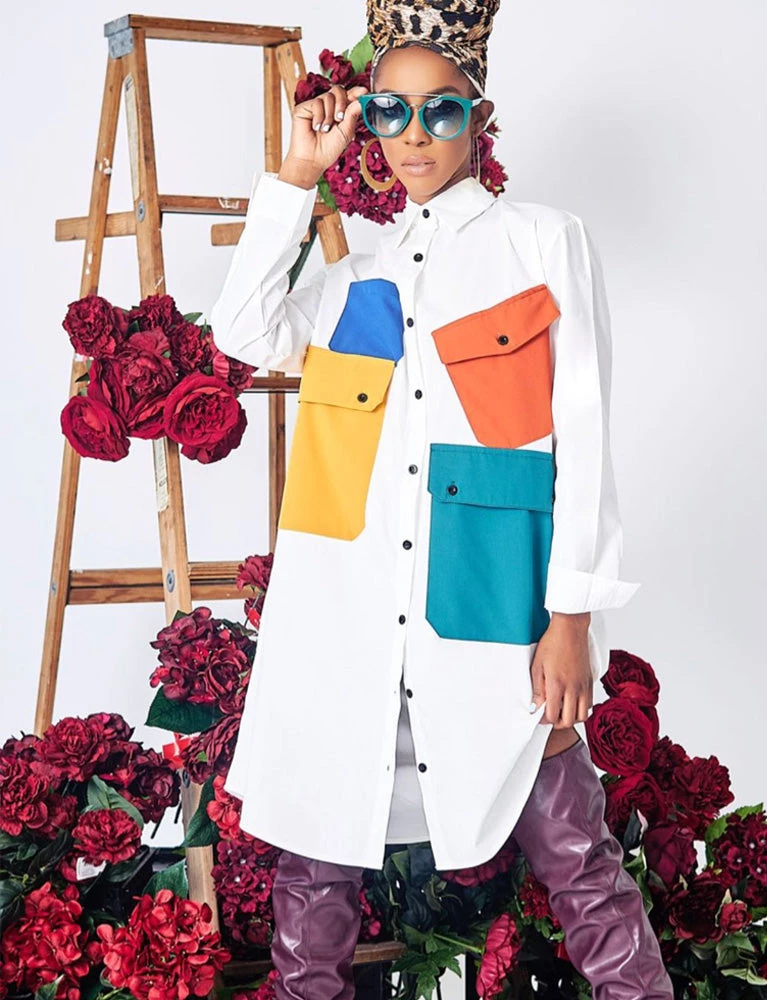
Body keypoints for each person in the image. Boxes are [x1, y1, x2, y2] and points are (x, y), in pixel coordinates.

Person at [208, 1, 674, 998]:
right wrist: (296, 174)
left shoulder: (542, 243)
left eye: (441, 110)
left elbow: (584, 437)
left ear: (480, 116)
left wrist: (571, 615)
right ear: (366, 122)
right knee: (313, 874)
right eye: (389, 111)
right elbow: (241, 330)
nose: (413, 135)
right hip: (344, 617)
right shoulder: (352, 281)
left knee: (576, 856)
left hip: (489, 614)